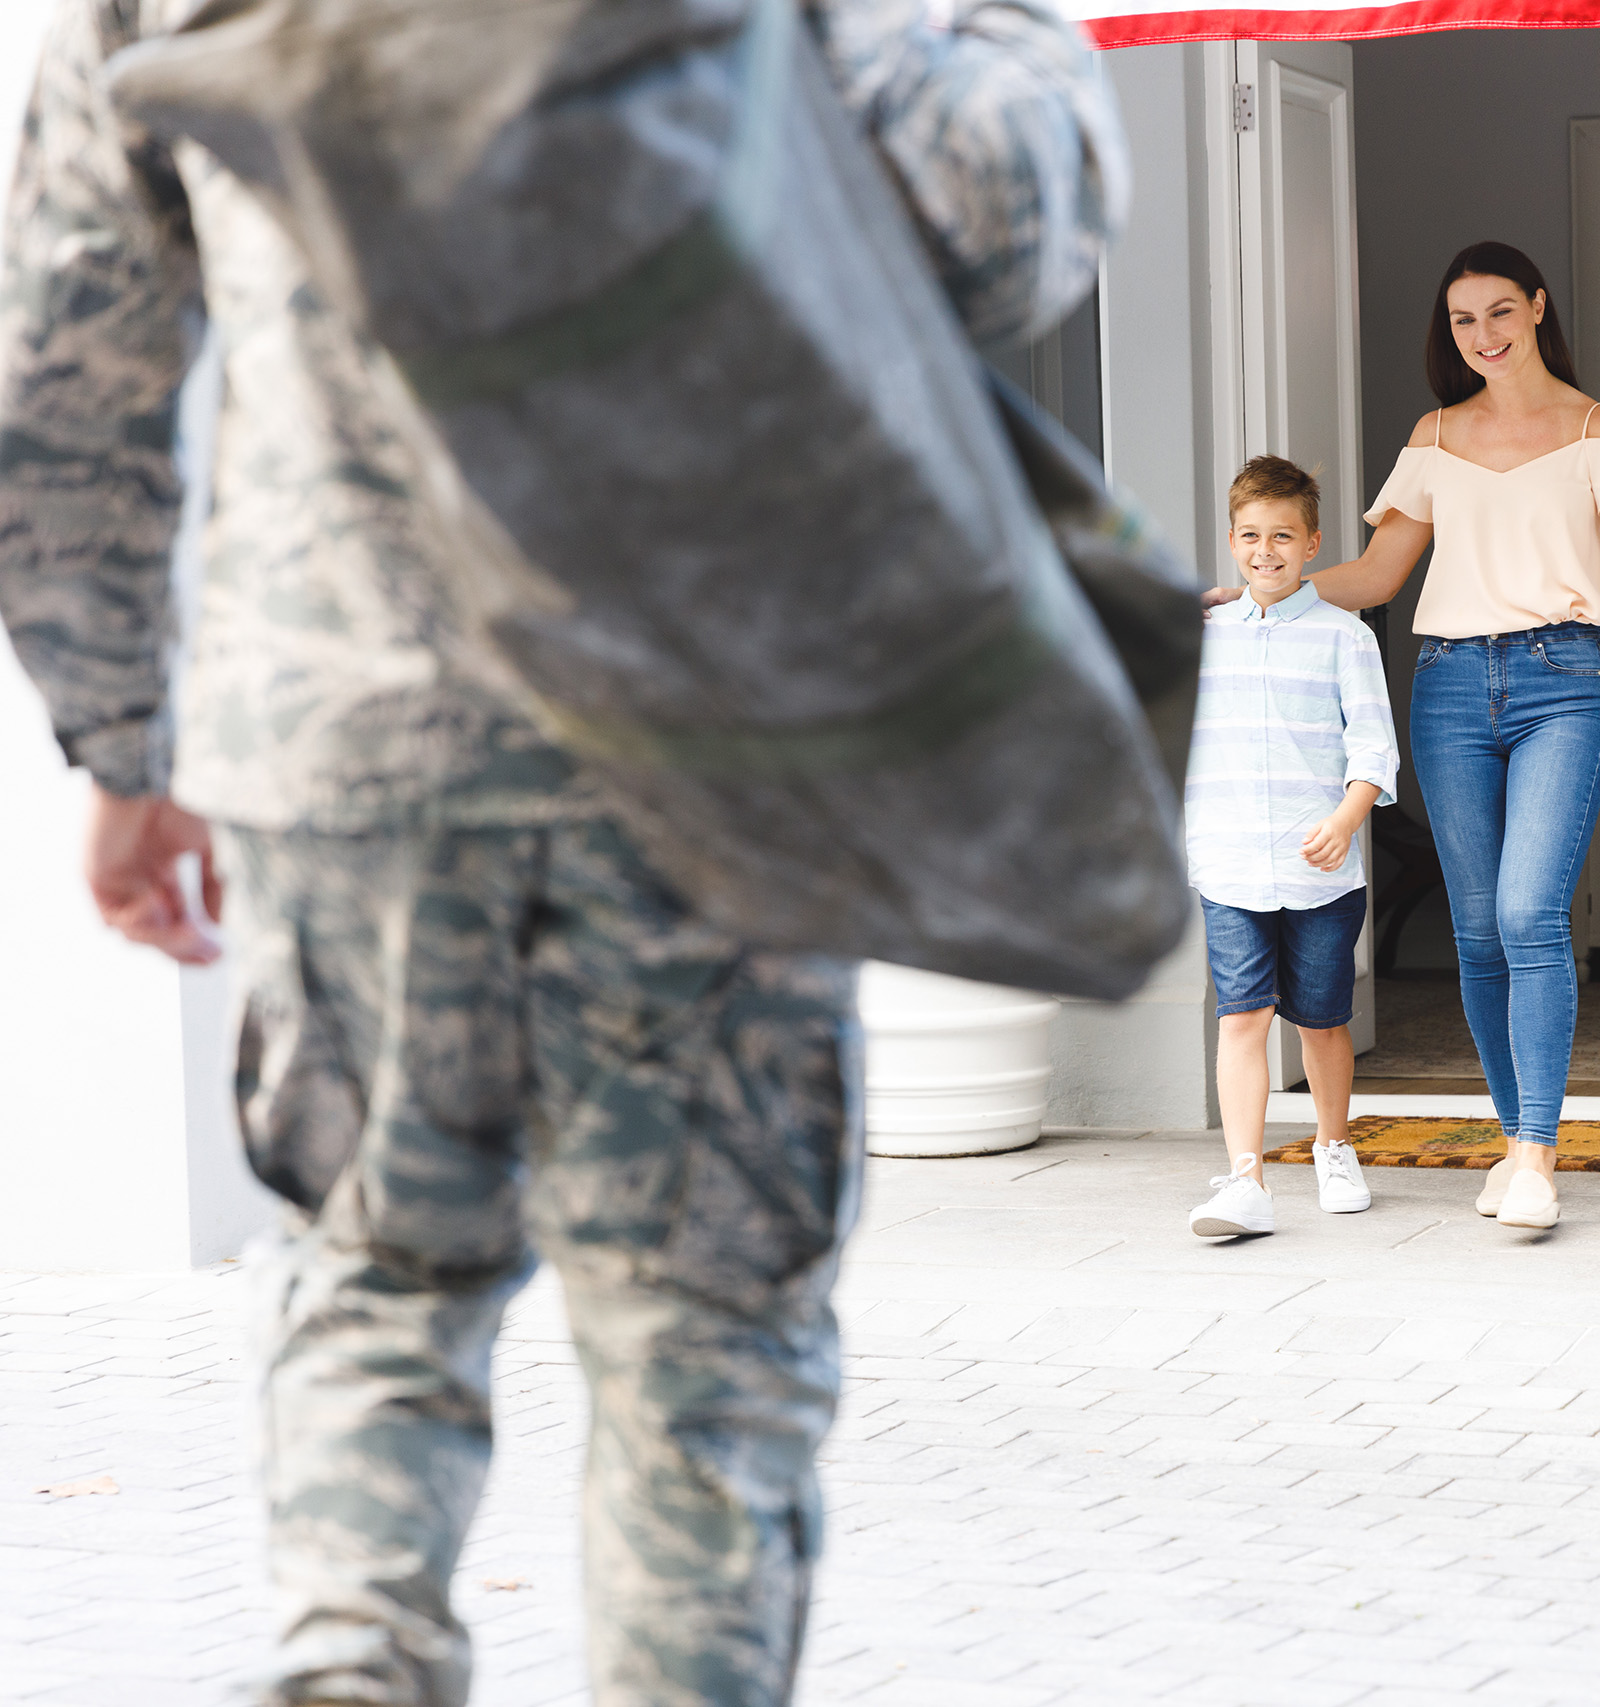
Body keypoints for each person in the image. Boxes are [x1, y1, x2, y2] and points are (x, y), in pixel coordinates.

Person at [0, 2, 1123, 1703]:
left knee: (374, 1272)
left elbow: (61, 367)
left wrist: (119, 736)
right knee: (706, 1337)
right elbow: (1003, 210)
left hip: (344, 733)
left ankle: (352, 1668)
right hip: (709, 739)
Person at [1243, 241, 1600, 1230]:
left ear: (1538, 308)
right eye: (1463, 320)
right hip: (1451, 687)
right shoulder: (1435, 435)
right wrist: (1264, 587)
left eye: (1500, 312)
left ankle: (1536, 1155)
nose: (1483, 335)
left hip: (1561, 682)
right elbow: (1376, 575)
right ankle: (1514, 1141)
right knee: (1476, 932)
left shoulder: (1598, 431)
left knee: (1528, 913)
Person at [1185, 456, 1399, 1238]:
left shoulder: (1344, 639)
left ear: (1312, 543)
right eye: (1249, 535)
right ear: (1232, 541)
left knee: (1320, 1020)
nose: (1264, 550)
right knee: (1242, 1016)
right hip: (1231, 862)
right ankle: (1245, 1177)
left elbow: (1374, 749)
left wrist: (1345, 820)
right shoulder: (1205, 638)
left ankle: (1334, 1145)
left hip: (1321, 871)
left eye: (1281, 535)